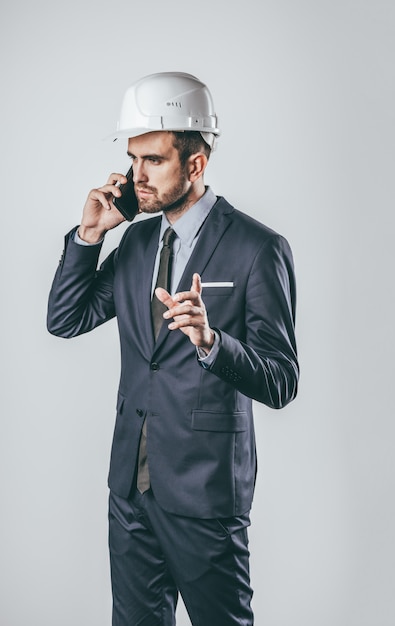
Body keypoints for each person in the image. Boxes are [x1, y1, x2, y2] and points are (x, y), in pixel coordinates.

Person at [47, 71, 299, 626]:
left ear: (196, 163)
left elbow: (282, 379)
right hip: (131, 495)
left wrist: (213, 342)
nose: (136, 175)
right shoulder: (137, 239)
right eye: (133, 159)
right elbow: (66, 320)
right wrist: (90, 237)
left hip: (206, 496)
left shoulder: (259, 249)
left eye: (153, 160)